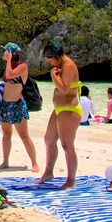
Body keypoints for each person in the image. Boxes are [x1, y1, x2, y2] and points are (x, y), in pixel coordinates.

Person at [36, 39, 81, 189]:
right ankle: (48, 172)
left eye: (50, 61)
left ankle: (71, 180)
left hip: (69, 110)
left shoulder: (68, 65)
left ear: (56, 56)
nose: (50, 64)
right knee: (49, 139)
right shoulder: (60, 65)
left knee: (67, 145)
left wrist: (53, 76)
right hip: (59, 110)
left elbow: (65, 89)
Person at [0, 42, 39, 171]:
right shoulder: (8, 66)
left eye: (6, 52)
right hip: (5, 105)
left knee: (24, 135)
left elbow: (10, 75)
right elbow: (5, 82)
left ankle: (34, 163)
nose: (4, 54)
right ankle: (5, 161)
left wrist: (9, 60)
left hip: (17, 105)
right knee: (6, 135)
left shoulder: (23, 67)